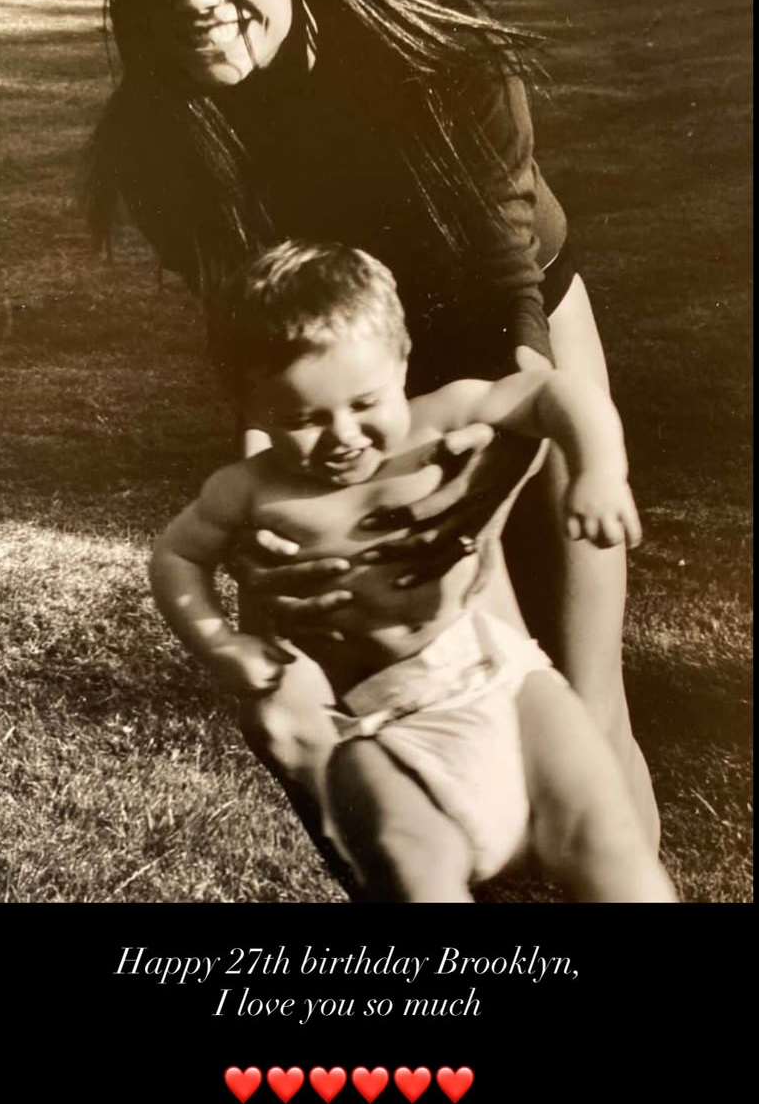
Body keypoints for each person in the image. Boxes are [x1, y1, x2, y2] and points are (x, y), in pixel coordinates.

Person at [85, 0, 658, 843]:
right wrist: (275, 527)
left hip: (509, 352)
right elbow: (255, 347)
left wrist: (469, 508)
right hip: (338, 379)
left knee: (572, 703)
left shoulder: (440, 57)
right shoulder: (156, 139)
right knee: (334, 722)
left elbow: (506, 307)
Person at [149, 241, 675, 902]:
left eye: (365, 403)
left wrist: (599, 471)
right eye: (303, 420)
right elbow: (176, 557)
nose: (343, 436)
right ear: (250, 405)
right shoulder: (249, 491)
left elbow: (552, 391)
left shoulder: (438, 421)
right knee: (413, 866)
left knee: (603, 838)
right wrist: (220, 643)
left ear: (401, 360)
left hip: (501, 677)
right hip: (381, 722)